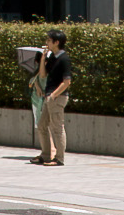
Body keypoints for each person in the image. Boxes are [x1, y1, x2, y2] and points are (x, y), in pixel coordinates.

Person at [34, 30, 73, 166]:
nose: (47, 43)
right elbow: (43, 75)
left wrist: (54, 95)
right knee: (42, 125)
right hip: (49, 96)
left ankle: (59, 158)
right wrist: (43, 59)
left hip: (58, 97)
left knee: (57, 128)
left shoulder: (64, 59)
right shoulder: (53, 57)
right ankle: (45, 155)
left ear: (57, 42)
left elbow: (67, 82)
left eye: (49, 41)